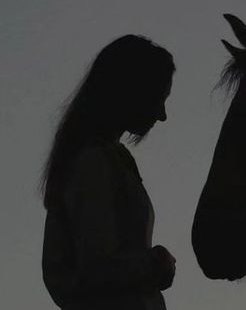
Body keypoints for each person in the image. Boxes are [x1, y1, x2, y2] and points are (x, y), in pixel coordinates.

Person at [38, 34, 176, 309]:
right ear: (133, 91)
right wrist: (155, 264)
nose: (162, 114)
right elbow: (96, 270)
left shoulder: (106, 159)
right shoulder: (93, 161)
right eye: (159, 97)